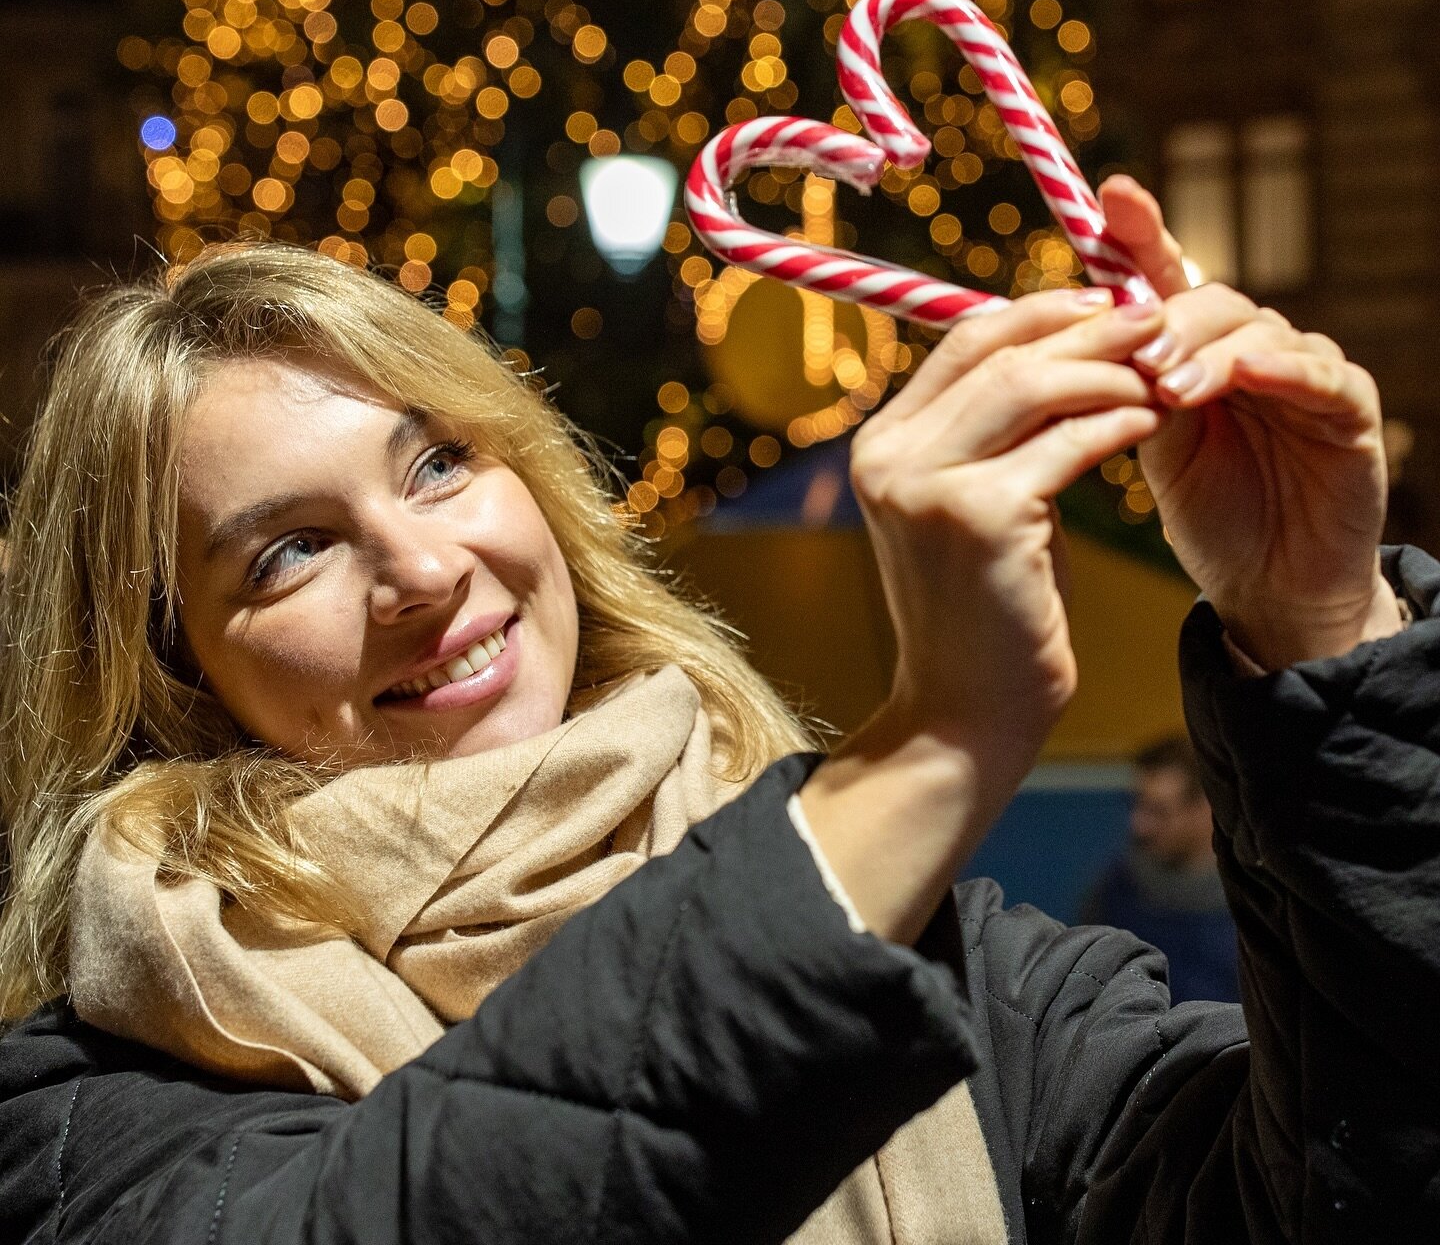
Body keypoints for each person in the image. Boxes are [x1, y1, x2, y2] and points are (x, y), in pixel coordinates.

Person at [0, 173, 1435, 1242]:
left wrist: (1323, 638)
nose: (426, 567)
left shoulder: (946, 965)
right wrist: (924, 757)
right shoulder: (91, 1106)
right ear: (170, 677)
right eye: (288, 551)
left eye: (441, 462)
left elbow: (1347, 1194)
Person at [1079, 735, 1240, 1003]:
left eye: (1159, 811)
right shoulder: (1116, 890)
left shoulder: (1257, 902)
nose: (1139, 824)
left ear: (1206, 808)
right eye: (1137, 805)